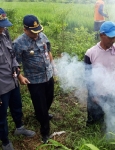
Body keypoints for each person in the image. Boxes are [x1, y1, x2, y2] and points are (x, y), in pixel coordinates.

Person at [13, 15, 55, 144]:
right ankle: (45, 132)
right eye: (33, 32)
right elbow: (15, 63)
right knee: (40, 106)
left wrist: (53, 67)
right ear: (25, 29)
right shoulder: (18, 43)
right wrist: (20, 76)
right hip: (34, 80)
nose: (37, 34)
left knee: (49, 99)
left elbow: (48, 51)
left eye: (38, 31)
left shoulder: (42, 36)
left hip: (48, 75)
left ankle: (42, 115)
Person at [0, 8, 35, 150]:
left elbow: (12, 56)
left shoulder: (4, 33)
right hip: (1, 87)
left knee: (17, 106)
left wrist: (19, 75)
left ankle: (19, 128)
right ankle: (5, 142)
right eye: (0, 25)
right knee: (1, 117)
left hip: (12, 80)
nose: (3, 28)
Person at [84, 21, 115, 127]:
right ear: (102, 35)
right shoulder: (91, 53)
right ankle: (92, 131)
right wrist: (93, 95)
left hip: (112, 90)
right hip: (96, 91)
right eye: (111, 37)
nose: (113, 40)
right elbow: (87, 76)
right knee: (95, 118)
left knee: (114, 116)